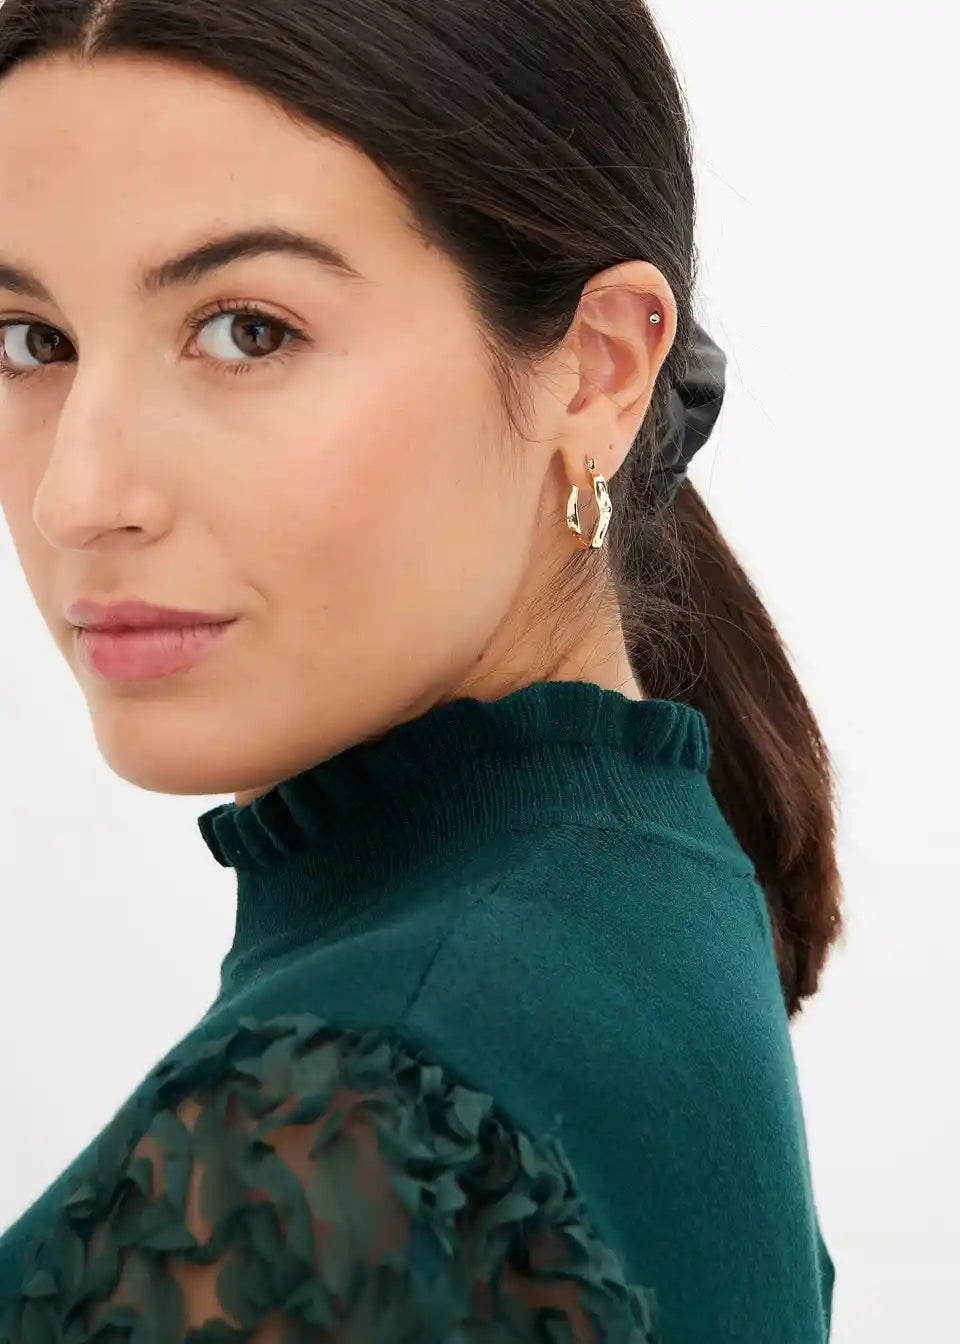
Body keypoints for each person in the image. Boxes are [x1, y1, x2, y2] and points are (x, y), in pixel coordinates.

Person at [0, 1, 841, 1339]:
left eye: (247, 331)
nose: (77, 497)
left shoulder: (356, 1117)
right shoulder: (634, 896)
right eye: (32, 341)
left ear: (598, 371)